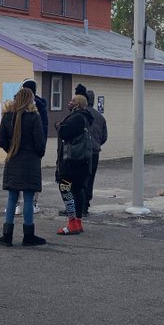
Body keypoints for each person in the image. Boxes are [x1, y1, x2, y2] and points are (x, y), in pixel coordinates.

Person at [0, 89, 48, 246]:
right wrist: (36, 154)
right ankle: (28, 235)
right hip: (30, 162)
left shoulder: (7, 117)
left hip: (13, 160)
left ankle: (7, 235)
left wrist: (11, 150)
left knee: (12, 197)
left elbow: (1, 141)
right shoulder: (34, 117)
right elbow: (40, 144)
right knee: (28, 198)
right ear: (30, 100)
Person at [53, 94, 93, 235]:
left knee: (65, 188)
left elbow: (64, 132)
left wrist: (58, 125)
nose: (69, 103)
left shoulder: (77, 118)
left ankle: (71, 222)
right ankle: (78, 222)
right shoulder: (87, 118)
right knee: (78, 190)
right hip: (83, 162)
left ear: (78, 104)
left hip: (71, 162)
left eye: (72, 101)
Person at [14, 78, 49, 216]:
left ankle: (16, 205)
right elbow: (44, 128)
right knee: (33, 177)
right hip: (34, 149)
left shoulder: (15, 105)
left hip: (18, 147)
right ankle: (34, 204)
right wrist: (41, 148)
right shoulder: (41, 106)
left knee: (16, 177)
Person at [72, 86, 107, 218]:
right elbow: (104, 137)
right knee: (90, 179)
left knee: (79, 179)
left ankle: (77, 207)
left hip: (81, 152)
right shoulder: (100, 117)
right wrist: (96, 144)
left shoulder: (80, 115)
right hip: (95, 152)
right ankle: (85, 206)